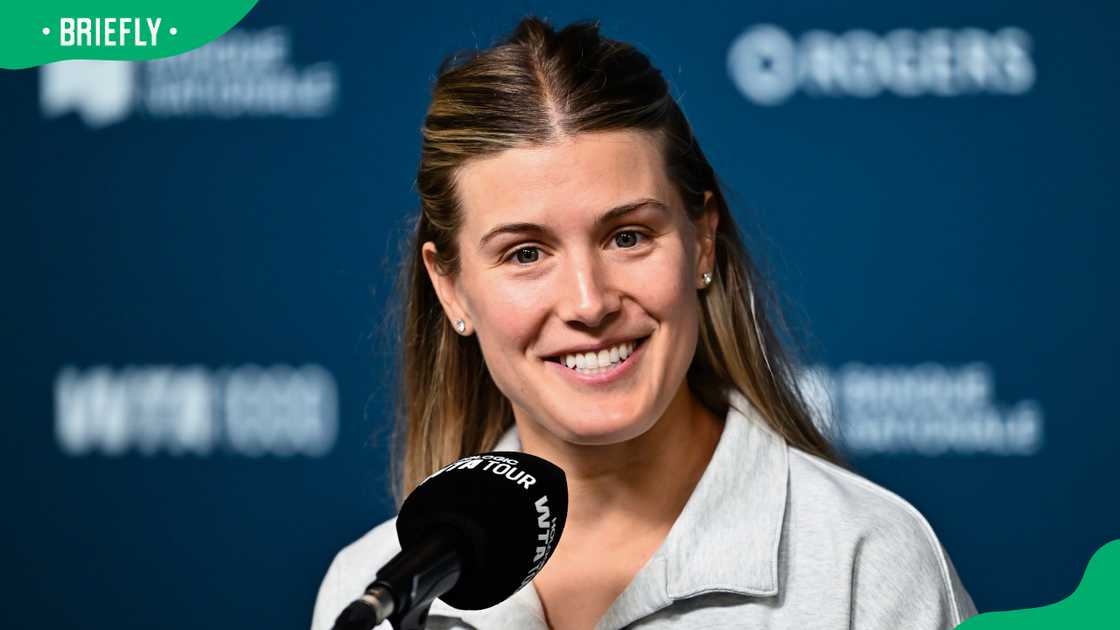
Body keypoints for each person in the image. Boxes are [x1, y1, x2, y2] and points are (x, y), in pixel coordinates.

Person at [311, 16, 977, 630]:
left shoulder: (863, 560)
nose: (588, 302)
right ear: (451, 288)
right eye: (526, 253)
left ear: (703, 241)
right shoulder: (373, 593)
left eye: (627, 236)